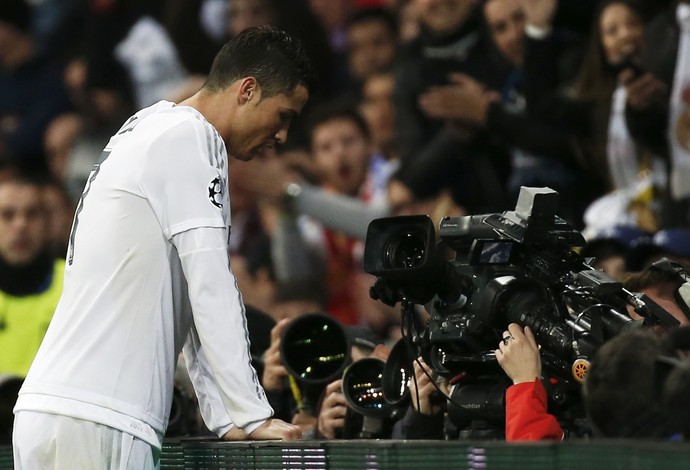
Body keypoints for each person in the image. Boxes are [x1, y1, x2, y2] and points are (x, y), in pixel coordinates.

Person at [12, 26, 318, 469]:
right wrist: (251, 415)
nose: (283, 136)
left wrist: (225, 415)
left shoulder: (151, 126)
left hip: (54, 411)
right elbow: (211, 281)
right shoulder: (192, 139)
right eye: (284, 115)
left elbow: (191, 296)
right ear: (247, 90)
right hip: (103, 419)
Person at [0, 174, 64, 378]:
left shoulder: (74, 283)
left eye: (32, 214)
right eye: (8, 215)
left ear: (47, 223)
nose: (21, 225)